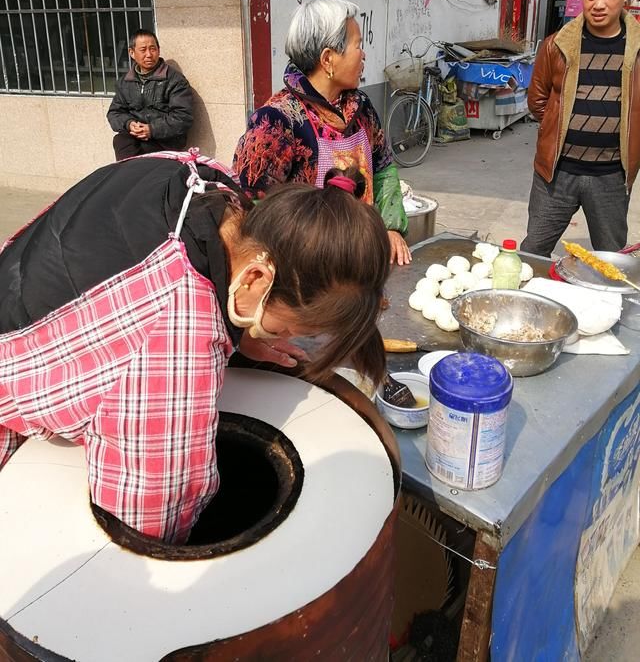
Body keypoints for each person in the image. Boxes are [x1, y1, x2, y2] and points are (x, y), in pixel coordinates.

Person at [0, 151, 390, 544]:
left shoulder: (208, 184)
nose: (284, 339)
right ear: (256, 278)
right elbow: (146, 514)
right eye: (286, 327)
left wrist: (243, 331)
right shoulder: (175, 333)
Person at [233, 0, 412, 265]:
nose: (363, 54)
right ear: (328, 59)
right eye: (357, 45)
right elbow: (253, 211)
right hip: (306, 271)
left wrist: (391, 227)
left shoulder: (361, 108)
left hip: (360, 257)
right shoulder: (276, 122)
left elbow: (383, 167)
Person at [521, 0, 640, 257]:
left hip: (612, 176)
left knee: (611, 260)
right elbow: (537, 101)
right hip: (556, 174)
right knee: (533, 250)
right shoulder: (556, 45)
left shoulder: (637, 51)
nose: (598, 4)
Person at [107, 29, 194, 160]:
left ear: (158, 50)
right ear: (132, 53)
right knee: (121, 141)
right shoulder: (125, 82)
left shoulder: (175, 80)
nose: (149, 54)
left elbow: (183, 117)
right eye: (143, 50)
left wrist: (151, 129)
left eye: (153, 49)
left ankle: (134, 178)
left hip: (165, 139)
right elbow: (114, 113)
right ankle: (129, 178)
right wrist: (129, 124)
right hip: (135, 136)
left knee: (141, 156)